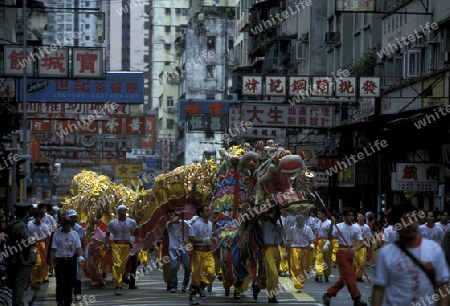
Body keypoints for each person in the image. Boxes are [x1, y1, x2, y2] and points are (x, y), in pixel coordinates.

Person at [371, 202, 450, 306]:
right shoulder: (386, 254)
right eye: (404, 220)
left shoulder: (434, 249)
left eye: (412, 218)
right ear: (396, 225)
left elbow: (443, 286)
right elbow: (379, 289)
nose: (409, 224)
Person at [322, 207, 367, 306]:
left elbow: (363, 242)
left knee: (344, 278)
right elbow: (330, 237)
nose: (351, 217)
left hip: (350, 253)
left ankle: (328, 294)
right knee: (350, 275)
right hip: (341, 253)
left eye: (352, 215)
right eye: (349, 215)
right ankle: (357, 298)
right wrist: (332, 225)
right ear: (344, 217)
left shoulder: (356, 227)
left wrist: (355, 249)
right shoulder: (339, 226)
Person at [6, 202, 36, 306]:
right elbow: (30, 240)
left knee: (17, 284)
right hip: (22, 259)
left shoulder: (13, 224)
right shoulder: (21, 226)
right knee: (20, 285)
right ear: (26, 214)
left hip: (16, 258)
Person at [50, 216, 84, 306]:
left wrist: (80, 258)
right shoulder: (56, 235)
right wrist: (51, 263)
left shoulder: (75, 234)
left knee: (71, 281)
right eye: (66, 225)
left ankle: (68, 301)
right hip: (60, 260)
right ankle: (60, 299)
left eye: (69, 224)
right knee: (61, 281)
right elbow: (53, 249)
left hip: (71, 260)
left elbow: (79, 247)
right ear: (62, 225)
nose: (68, 226)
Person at [105, 204, 138, 295]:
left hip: (127, 246)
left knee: (123, 267)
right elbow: (107, 234)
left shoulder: (131, 222)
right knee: (117, 265)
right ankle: (118, 286)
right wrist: (107, 244)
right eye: (121, 211)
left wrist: (133, 238)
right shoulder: (113, 223)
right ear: (118, 212)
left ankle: (120, 281)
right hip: (116, 246)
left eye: (124, 210)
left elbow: (136, 230)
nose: (123, 212)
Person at [253, 209, 284, 303]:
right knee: (273, 274)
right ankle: (272, 296)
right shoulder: (264, 223)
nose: (276, 216)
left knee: (266, 274)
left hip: (276, 250)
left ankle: (258, 286)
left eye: (278, 215)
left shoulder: (279, 226)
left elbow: (282, 241)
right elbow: (258, 217)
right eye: (275, 214)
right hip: (267, 250)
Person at [188, 205, 216, 305]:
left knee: (212, 272)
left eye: (208, 210)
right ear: (201, 213)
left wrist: (213, 239)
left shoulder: (210, 224)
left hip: (208, 251)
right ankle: (192, 295)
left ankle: (201, 287)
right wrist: (203, 240)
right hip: (198, 252)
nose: (209, 212)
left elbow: (211, 236)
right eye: (206, 210)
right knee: (196, 276)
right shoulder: (196, 224)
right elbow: (191, 238)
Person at [285, 215, 315, 292]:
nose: (300, 222)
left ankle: (301, 282)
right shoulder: (291, 229)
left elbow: (311, 238)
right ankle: (298, 284)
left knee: (303, 268)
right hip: (294, 249)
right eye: (299, 220)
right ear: (296, 220)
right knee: (295, 267)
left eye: (302, 220)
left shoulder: (307, 229)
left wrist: (312, 245)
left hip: (305, 250)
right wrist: (286, 251)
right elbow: (288, 241)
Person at [166, 209, 191, 293]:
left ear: (175, 214)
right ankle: (174, 284)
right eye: (168, 215)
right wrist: (174, 219)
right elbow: (170, 223)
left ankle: (185, 284)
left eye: (171, 214)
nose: (170, 217)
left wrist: (187, 241)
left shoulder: (184, 224)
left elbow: (191, 233)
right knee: (173, 266)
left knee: (187, 267)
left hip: (183, 248)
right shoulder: (168, 224)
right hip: (173, 248)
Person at [27, 208, 50, 291]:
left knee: (41, 263)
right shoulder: (30, 225)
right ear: (34, 217)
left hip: (41, 245)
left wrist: (46, 249)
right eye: (37, 217)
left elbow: (46, 239)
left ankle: (39, 280)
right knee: (34, 264)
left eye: (40, 217)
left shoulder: (44, 226)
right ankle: (33, 282)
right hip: (33, 245)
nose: (38, 219)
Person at [66, 209, 86, 301]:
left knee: (77, 275)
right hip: (65, 256)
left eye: (75, 217)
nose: (74, 219)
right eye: (71, 218)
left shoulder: (79, 229)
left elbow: (81, 242)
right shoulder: (61, 229)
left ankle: (77, 293)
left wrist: (81, 256)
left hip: (76, 254)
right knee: (67, 276)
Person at [314, 208, 332, 283]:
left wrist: (328, 242)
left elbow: (330, 234)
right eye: (318, 214)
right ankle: (319, 274)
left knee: (327, 259)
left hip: (326, 241)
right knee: (319, 258)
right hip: (319, 241)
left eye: (319, 214)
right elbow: (316, 232)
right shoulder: (318, 222)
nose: (318, 215)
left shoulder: (329, 223)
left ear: (324, 214)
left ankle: (327, 275)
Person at [353, 212, 372, 282]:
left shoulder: (366, 227)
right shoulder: (354, 226)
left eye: (361, 216)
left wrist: (365, 237)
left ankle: (358, 276)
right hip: (355, 244)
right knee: (355, 261)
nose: (359, 218)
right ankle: (354, 275)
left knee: (362, 261)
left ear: (364, 218)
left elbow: (370, 236)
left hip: (363, 244)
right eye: (358, 216)